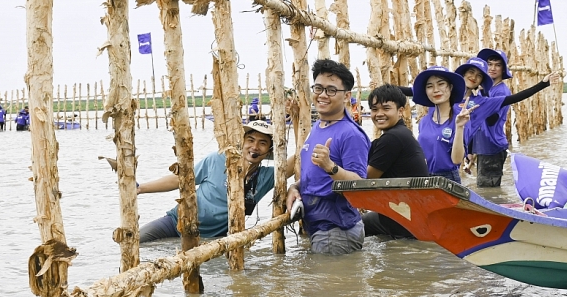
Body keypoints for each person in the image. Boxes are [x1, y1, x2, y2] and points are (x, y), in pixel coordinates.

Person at [136, 120, 294, 242]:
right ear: (242, 142)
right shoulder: (217, 159)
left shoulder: (266, 176)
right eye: (250, 140)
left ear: (269, 150)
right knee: (138, 241)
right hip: (177, 222)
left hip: (215, 237)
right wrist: (141, 188)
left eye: (263, 143)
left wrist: (296, 118)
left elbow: (299, 157)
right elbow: (179, 180)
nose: (255, 147)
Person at [412, 65, 560, 182]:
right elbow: (410, 92)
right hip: (426, 176)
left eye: (479, 75)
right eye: (470, 72)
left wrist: (543, 83)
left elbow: (513, 99)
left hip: (467, 160)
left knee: (487, 183)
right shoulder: (432, 110)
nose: (473, 77)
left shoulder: (479, 104)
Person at [285, 59, 370, 255]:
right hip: (320, 228)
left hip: (336, 231)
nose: (323, 95)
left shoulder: (351, 134)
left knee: (330, 286)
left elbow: (360, 186)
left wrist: (330, 166)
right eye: (318, 88)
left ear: (347, 96)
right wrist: (295, 187)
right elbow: (315, 176)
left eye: (331, 90)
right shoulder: (319, 125)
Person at [359, 84, 429, 239]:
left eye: (386, 108)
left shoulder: (392, 138)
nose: (379, 114)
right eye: (374, 109)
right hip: (412, 213)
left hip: (405, 218)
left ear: (401, 111)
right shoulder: (400, 133)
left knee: (351, 227)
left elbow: (365, 179)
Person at [470, 48, 514, 186]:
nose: (492, 68)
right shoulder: (486, 89)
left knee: (488, 190)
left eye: (498, 65)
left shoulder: (501, 91)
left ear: (503, 69)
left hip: (492, 147)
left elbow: (491, 119)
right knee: (484, 189)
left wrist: (485, 96)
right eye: (489, 64)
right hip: (483, 146)